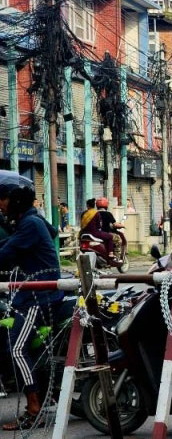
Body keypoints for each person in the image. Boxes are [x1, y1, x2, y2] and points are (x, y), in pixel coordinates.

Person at [0, 170, 63, 430]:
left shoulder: (29, 225)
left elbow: (4, 255)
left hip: (38, 297)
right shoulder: (31, 220)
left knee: (16, 348)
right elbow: (52, 233)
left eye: (3, 198)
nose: (0, 203)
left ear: (15, 200)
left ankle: (34, 406)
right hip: (32, 292)